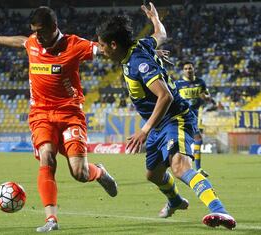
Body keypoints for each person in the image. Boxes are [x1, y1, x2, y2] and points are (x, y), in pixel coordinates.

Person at [96, 2, 236, 230]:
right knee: (153, 175)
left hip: (174, 118)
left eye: (102, 46)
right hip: (159, 125)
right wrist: (155, 18)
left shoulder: (137, 63)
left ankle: (220, 210)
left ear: (114, 44)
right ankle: (175, 201)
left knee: (180, 167)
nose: (100, 50)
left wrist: (144, 130)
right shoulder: (140, 47)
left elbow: (165, 96)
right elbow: (161, 33)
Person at [0, 6, 117, 233]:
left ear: (54, 27)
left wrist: (141, 52)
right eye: (34, 31)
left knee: (79, 173)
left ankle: (99, 172)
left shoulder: (74, 45)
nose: (38, 36)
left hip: (70, 114)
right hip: (41, 115)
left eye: (41, 31)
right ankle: (51, 220)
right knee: (47, 157)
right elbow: (23, 41)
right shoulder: (34, 42)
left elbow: (105, 50)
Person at [175, 61, 211, 177]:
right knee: (197, 139)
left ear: (193, 69)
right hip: (184, 115)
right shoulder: (178, 84)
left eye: (190, 68)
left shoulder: (200, 82)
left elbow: (207, 96)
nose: (188, 70)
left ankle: (191, 167)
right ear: (183, 71)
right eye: (186, 69)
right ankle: (196, 168)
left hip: (196, 115)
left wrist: (205, 97)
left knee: (195, 139)